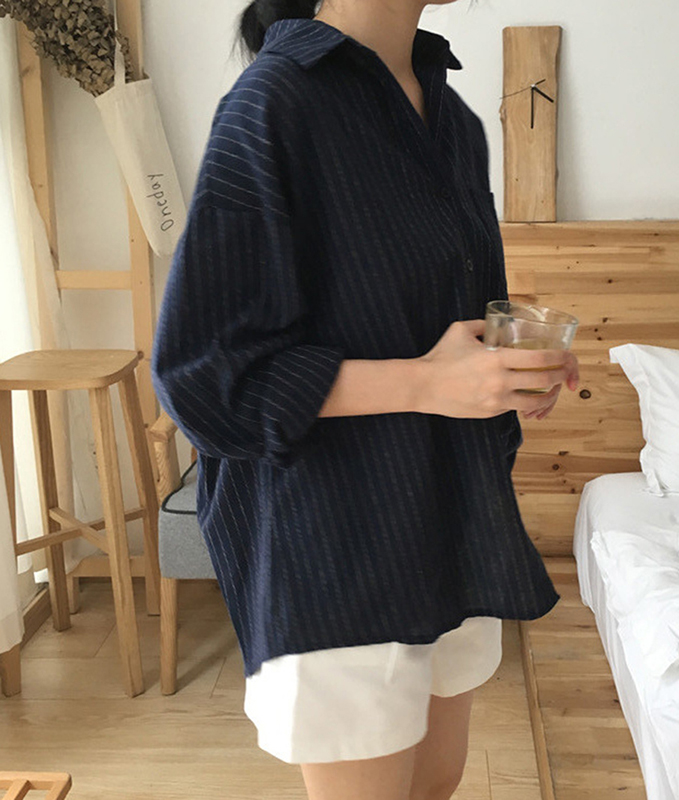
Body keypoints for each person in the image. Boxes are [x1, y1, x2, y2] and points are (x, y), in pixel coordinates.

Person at [151, 0, 580, 798]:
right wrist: (429, 380)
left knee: (436, 785)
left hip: (452, 523)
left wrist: (506, 358)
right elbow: (204, 377)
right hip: (337, 542)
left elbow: (425, 311)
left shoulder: (450, 118)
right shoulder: (274, 103)